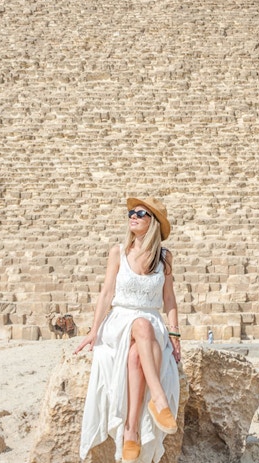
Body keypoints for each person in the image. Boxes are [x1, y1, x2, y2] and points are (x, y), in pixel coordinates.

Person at [75, 197, 182, 462]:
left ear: (154, 223)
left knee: (136, 355)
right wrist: (93, 330)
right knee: (140, 325)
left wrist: (174, 333)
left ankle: (131, 431)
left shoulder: (164, 257)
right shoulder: (118, 252)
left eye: (141, 213)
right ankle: (158, 399)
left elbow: (169, 298)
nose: (133, 216)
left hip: (151, 323)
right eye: (131, 212)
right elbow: (107, 293)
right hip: (120, 320)